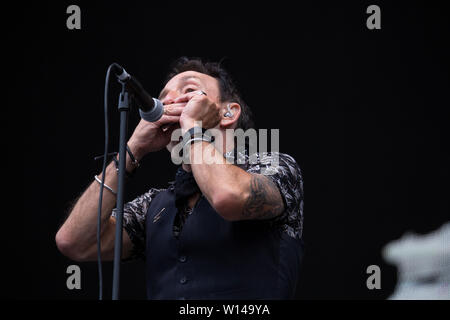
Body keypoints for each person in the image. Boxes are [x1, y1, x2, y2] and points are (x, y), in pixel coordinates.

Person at [56, 57, 304, 299]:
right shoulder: (155, 205)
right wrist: (132, 150)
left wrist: (193, 128)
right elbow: (74, 242)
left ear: (228, 113)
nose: (170, 102)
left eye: (189, 90)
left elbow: (229, 196)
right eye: (163, 99)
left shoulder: (274, 167)